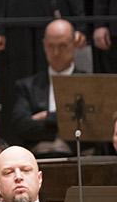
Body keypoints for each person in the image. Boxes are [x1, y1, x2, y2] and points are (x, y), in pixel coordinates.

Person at [5, 19, 81, 153]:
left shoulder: (89, 83)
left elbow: (93, 129)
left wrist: (47, 117)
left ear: (74, 44)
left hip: (82, 157)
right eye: (51, 46)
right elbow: (21, 126)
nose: (56, 53)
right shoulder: (27, 86)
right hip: (38, 158)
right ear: (44, 45)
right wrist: (64, 127)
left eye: (62, 46)